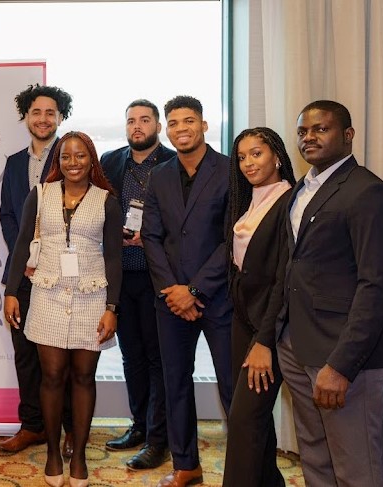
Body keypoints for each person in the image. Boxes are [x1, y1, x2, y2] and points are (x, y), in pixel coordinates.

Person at [276, 100, 383, 486]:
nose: (309, 137)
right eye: (302, 131)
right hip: (298, 344)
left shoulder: (368, 193)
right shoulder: (304, 188)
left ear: (348, 135)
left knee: (357, 464)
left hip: (344, 355)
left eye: (320, 129)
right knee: (315, 454)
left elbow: (376, 285)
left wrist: (342, 365)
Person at [4, 130, 121, 487]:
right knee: (52, 376)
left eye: (81, 156)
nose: (73, 163)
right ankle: (54, 454)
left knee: (84, 377)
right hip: (48, 294)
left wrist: (112, 307)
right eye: (66, 156)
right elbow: (22, 244)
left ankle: (80, 455)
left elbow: (115, 258)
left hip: (90, 297)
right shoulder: (40, 195)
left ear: (91, 160)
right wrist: (11, 291)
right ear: (58, 161)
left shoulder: (107, 201)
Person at [141, 95, 233, 487]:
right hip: (171, 301)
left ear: (204, 125)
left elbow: (234, 240)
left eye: (189, 121)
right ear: (167, 128)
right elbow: (151, 235)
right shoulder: (159, 175)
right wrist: (172, 291)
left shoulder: (231, 171)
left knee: (234, 388)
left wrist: (195, 289)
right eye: (174, 122)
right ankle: (186, 465)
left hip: (220, 298)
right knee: (175, 382)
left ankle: (249, 467)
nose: (182, 128)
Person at [0, 84, 76, 457]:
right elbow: (8, 215)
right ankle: (32, 426)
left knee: (64, 358)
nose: (43, 119)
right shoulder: (14, 162)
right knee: (25, 353)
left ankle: (70, 430)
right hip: (23, 275)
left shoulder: (73, 157)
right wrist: (23, 258)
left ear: (61, 117)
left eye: (50, 113)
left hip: (64, 276)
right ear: (25, 117)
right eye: (36, 112)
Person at [99, 99, 174, 470]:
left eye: (145, 120)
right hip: (121, 274)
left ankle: (160, 438)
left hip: (159, 277)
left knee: (159, 358)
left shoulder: (174, 163)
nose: (137, 126)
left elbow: (186, 220)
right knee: (132, 356)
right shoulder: (111, 162)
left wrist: (153, 237)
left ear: (157, 125)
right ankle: (139, 426)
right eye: (131, 120)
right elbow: (95, 211)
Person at [221, 127, 295, 487]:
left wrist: (265, 341)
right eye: (242, 157)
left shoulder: (290, 202)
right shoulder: (248, 199)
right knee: (256, 419)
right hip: (242, 321)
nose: (248, 163)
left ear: (277, 156)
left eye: (257, 154)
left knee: (244, 419)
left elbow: (283, 280)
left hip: (270, 328)